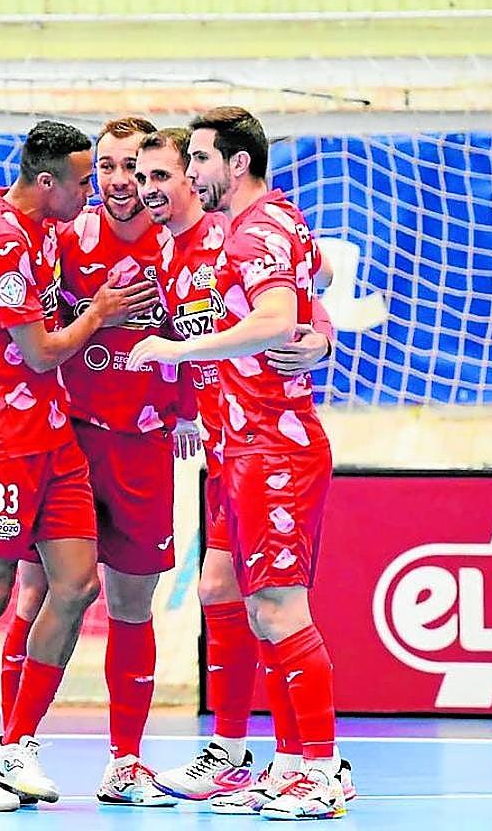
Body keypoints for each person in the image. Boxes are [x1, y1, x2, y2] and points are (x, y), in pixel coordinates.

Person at [126, 106, 347, 820]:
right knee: (230, 590)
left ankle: (316, 769)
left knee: (278, 609)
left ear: (234, 164)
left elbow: (281, 313)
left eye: (191, 163)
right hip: (235, 445)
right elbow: (311, 285)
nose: (182, 178)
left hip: (273, 446)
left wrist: (177, 350)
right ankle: (280, 762)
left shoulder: (252, 229)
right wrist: (318, 333)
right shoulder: (255, 227)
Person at [0, 119, 159, 812]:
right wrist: (101, 314)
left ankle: (14, 745)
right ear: (47, 181)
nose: (96, 192)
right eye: (87, 179)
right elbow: (40, 351)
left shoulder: (48, 230)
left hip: (54, 435)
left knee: (77, 584)